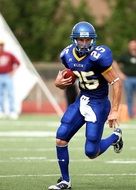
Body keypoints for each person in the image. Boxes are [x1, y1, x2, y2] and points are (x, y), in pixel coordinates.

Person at [48, 21, 123, 190]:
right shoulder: (67, 55)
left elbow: (116, 82)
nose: (84, 43)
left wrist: (115, 110)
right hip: (82, 100)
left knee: (91, 152)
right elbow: (73, 77)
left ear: (93, 40)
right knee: (60, 138)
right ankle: (65, 181)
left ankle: (115, 137)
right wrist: (59, 83)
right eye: (81, 40)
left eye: (87, 40)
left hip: (99, 103)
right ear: (74, 40)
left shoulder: (99, 57)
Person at [0, 40, 20, 119]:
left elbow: (18, 63)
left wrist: (13, 72)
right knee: (0, 94)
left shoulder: (9, 54)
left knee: (10, 94)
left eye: (2, 45)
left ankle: (12, 111)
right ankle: (1, 111)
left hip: (7, 76)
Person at [116, 40, 136, 118]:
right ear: (129, 46)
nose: (133, 46)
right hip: (128, 79)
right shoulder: (125, 55)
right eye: (132, 45)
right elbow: (115, 62)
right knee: (129, 97)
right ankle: (130, 115)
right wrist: (120, 74)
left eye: (134, 45)